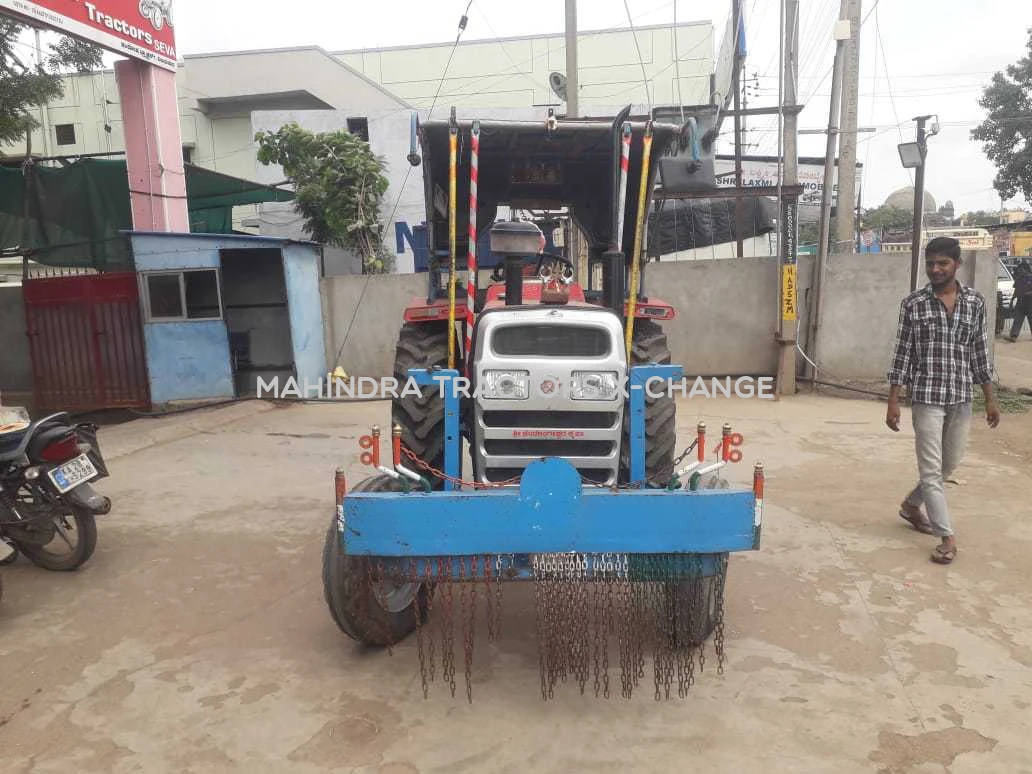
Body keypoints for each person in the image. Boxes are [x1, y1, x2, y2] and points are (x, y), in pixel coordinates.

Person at [886, 236, 1000, 565]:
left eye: (942, 264)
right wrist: (893, 399)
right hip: (926, 397)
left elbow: (980, 352)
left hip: (961, 396)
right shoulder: (913, 304)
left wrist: (989, 398)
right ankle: (946, 536)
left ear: (956, 265)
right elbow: (902, 353)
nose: (935, 270)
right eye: (930, 263)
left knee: (949, 464)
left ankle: (911, 505)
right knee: (932, 470)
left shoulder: (975, 303)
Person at [1004, 259, 1032, 342]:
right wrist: (1012, 299)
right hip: (1020, 303)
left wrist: (1028, 293)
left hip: (1030, 304)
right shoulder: (1019, 279)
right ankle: (1013, 336)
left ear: (1025, 269)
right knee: (1017, 320)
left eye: (1021, 269)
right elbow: (1016, 290)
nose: (1020, 271)